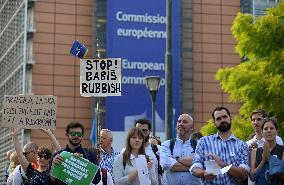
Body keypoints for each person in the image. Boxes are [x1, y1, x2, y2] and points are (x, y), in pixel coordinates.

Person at [190, 106, 249, 185]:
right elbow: (195, 166)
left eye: (224, 117)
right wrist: (203, 173)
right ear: (214, 123)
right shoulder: (204, 142)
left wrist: (223, 165)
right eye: (218, 118)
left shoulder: (242, 145)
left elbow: (243, 174)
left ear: (230, 118)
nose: (222, 120)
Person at [160, 113, 201, 185]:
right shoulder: (166, 144)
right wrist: (194, 167)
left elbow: (203, 163)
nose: (181, 124)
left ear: (191, 127)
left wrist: (176, 159)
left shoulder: (199, 145)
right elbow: (166, 164)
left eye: (185, 122)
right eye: (179, 121)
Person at [250, 118, 284, 185]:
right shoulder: (255, 151)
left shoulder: (282, 150)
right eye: (265, 129)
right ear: (262, 132)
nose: (268, 131)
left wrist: (270, 159)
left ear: (276, 131)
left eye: (271, 128)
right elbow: (252, 177)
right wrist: (263, 161)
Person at [135, 118, 160, 185]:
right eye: (138, 130)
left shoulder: (158, 150)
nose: (141, 133)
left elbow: (162, 174)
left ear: (149, 131)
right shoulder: (127, 151)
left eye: (144, 130)